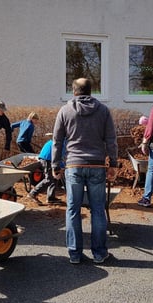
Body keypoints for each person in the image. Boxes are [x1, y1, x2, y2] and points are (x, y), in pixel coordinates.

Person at [52, 78, 118, 265]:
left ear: (74, 91)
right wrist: (113, 163)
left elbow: (57, 141)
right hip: (97, 165)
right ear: (90, 91)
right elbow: (111, 139)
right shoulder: (103, 111)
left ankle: (74, 254)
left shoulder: (65, 111)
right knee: (98, 209)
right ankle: (99, 253)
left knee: (73, 209)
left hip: (73, 165)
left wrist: (55, 165)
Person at [26, 138, 63, 205]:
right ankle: (33, 193)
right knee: (49, 179)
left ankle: (51, 198)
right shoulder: (63, 142)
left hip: (48, 158)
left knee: (54, 178)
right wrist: (63, 166)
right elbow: (61, 155)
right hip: (47, 159)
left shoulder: (59, 138)